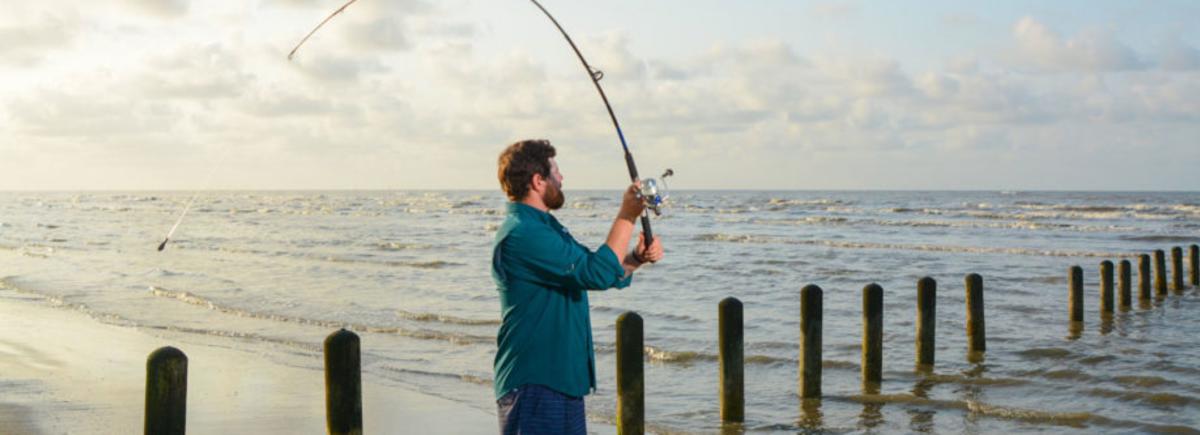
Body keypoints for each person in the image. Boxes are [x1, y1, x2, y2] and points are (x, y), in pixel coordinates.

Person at [491, 139, 664, 434]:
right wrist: (627, 215)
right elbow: (594, 273)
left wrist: (635, 259)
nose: (562, 178)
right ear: (538, 181)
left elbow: (593, 270)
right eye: (556, 171)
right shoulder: (523, 234)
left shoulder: (546, 228)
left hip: (562, 380)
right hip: (536, 382)